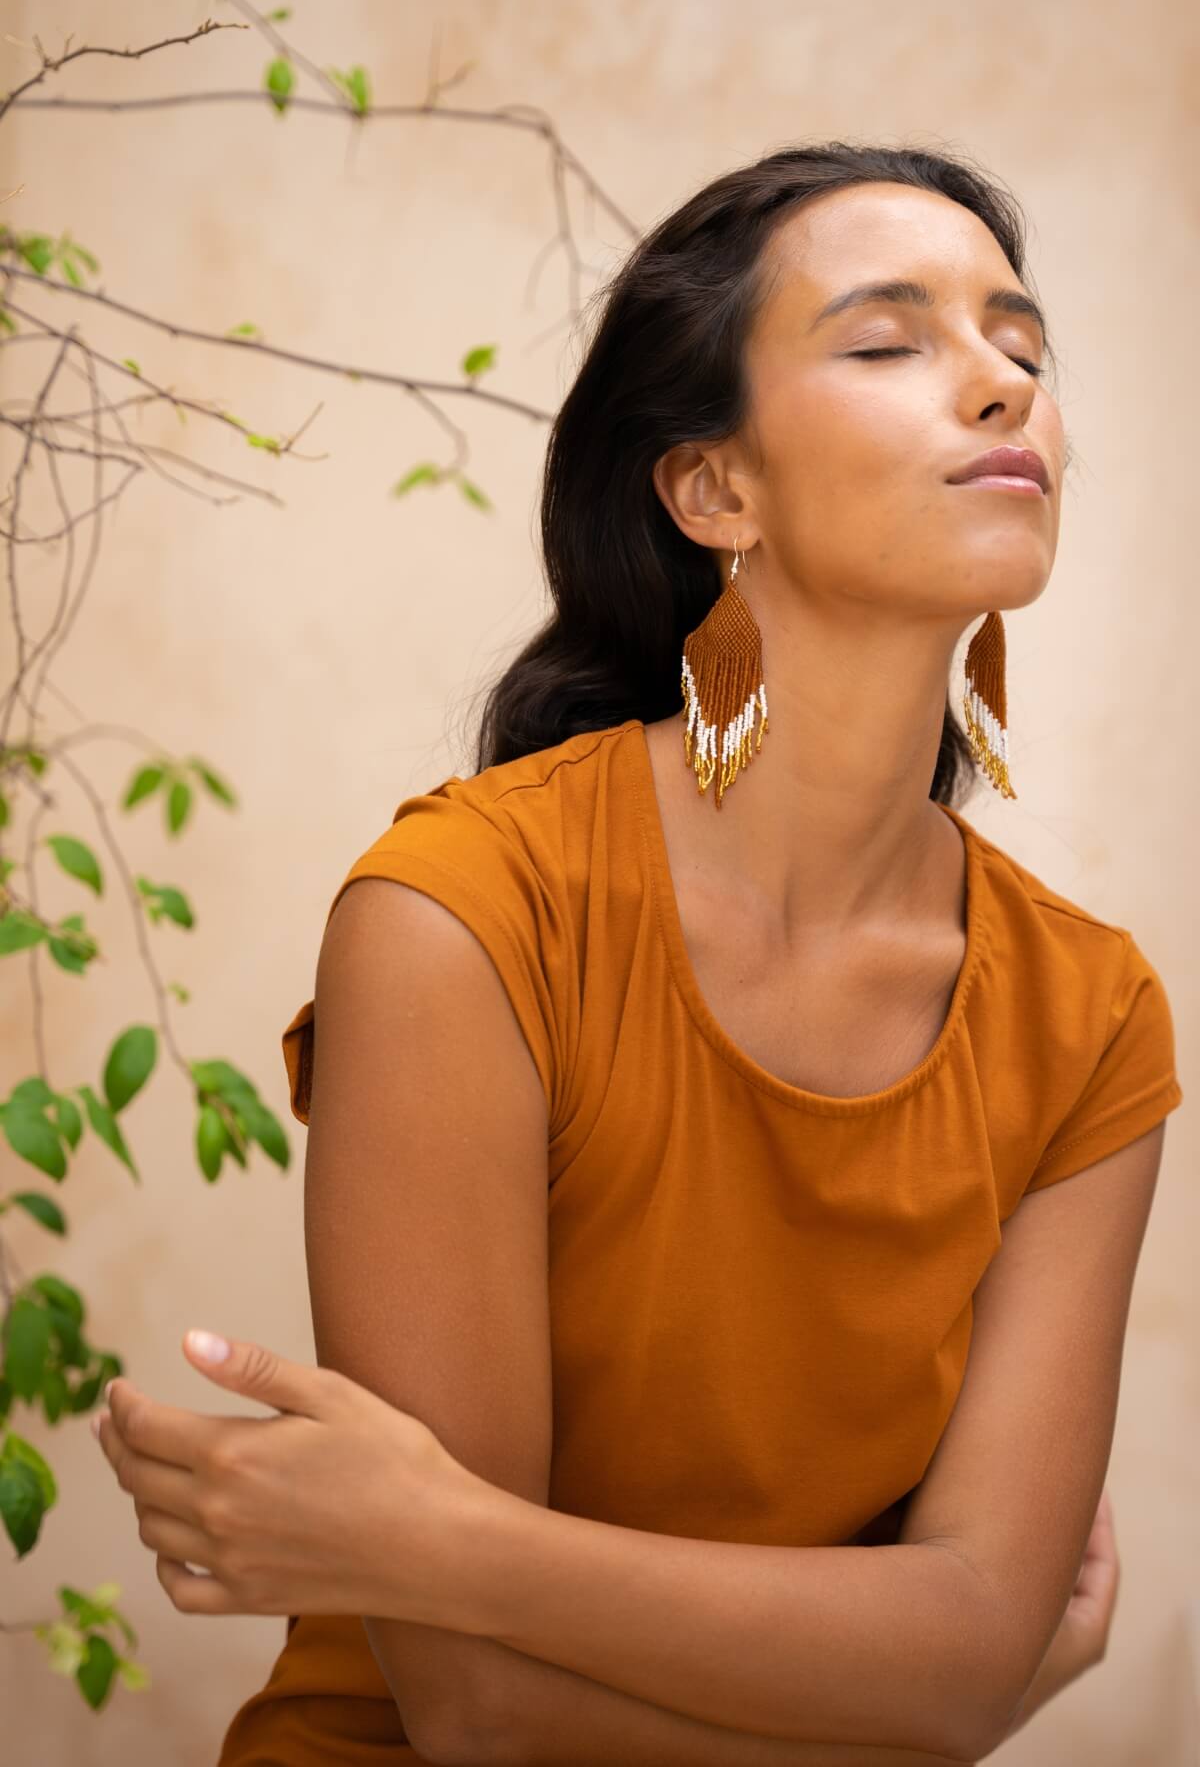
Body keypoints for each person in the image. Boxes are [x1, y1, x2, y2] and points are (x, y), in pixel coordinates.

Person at [96, 142, 1182, 1764]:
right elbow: (476, 1710)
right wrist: (936, 1710)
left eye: (1020, 343)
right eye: (892, 342)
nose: (1001, 383)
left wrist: (440, 1540)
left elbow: (966, 1646)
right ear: (712, 490)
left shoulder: (1092, 1017)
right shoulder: (465, 912)